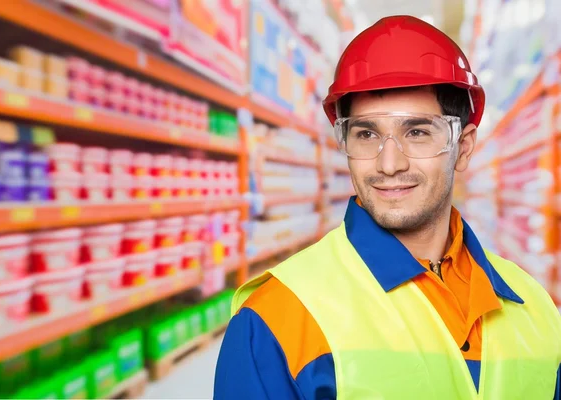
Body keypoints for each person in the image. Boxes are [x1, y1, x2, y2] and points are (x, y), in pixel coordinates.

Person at [214, 15, 561, 400]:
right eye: (367, 134)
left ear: (463, 147)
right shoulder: (279, 318)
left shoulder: (536, 308)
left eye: (417, 132)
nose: (389, 164)